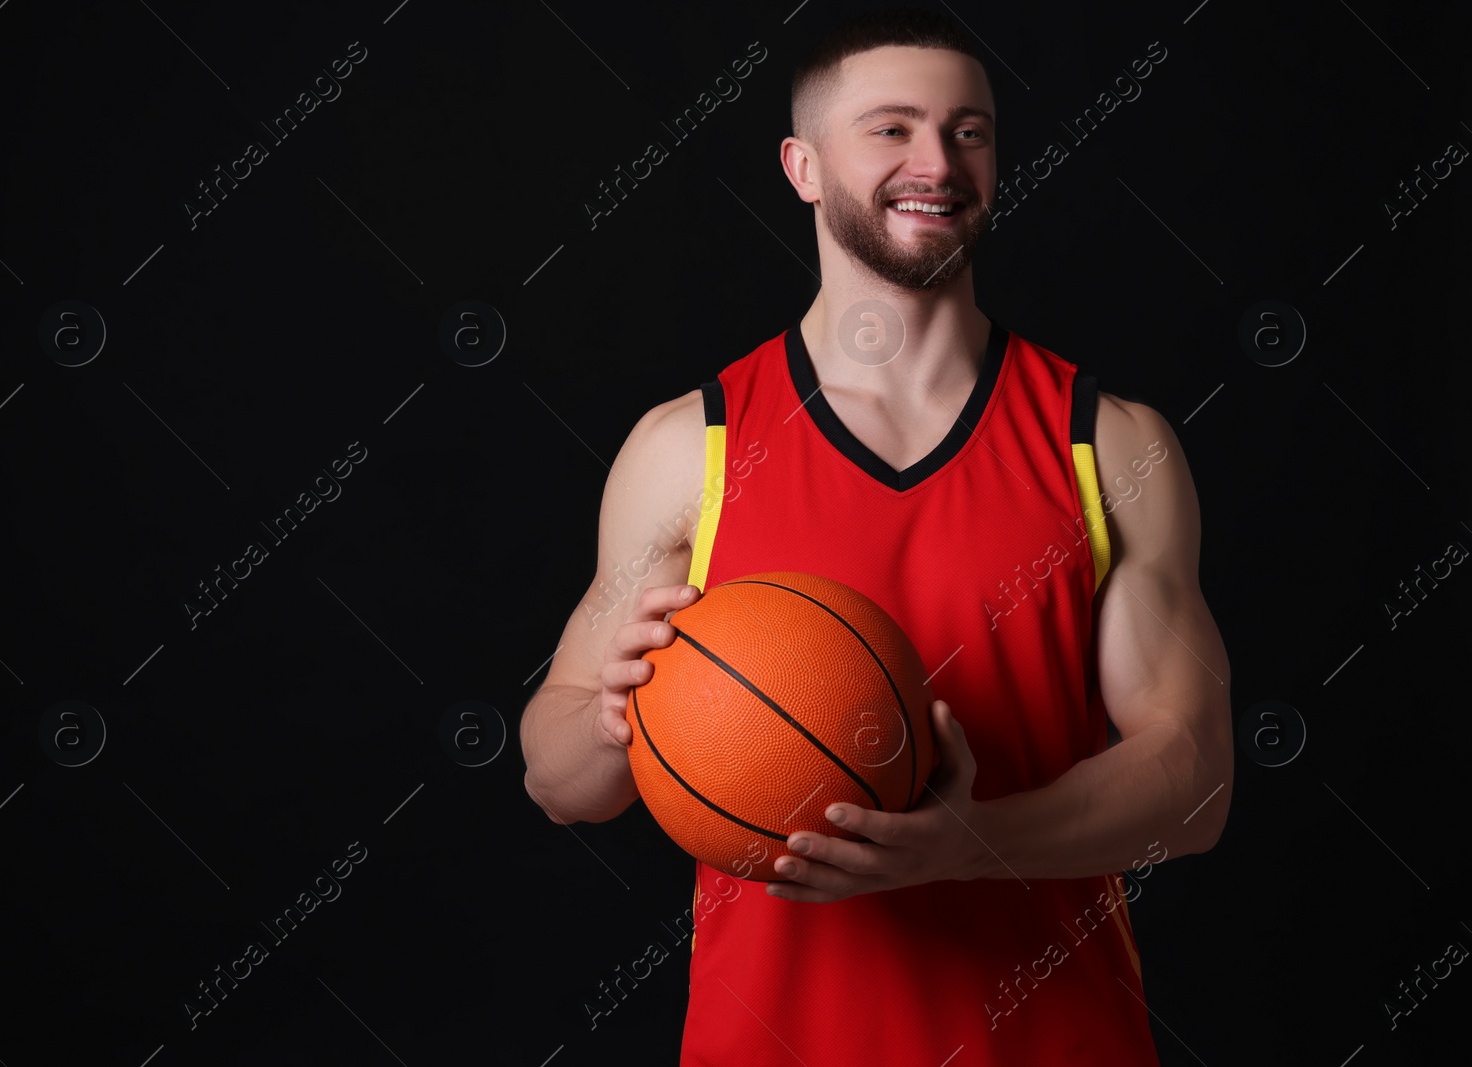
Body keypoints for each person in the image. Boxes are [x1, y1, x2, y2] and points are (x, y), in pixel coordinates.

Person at [520, 8, 1233, 1064]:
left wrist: (967, 843)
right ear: (802, 166)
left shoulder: (1107, 441)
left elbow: (1196, 776)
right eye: (890, 129)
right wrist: (609, 721)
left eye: (969, 130)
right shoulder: (691, 446)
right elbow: (557, 780)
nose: (936, 162)